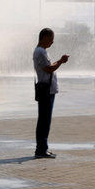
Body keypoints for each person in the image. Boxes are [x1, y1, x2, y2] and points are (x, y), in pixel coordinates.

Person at [33, 28, 69, 159]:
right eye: (51, 39)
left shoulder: (42, 51)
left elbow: (49, 66)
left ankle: (43, 148)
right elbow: (49, 69)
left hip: (47, 89)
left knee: (45, 120)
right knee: (44, 120)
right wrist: (61, 61)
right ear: (45, 37)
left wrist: (59, 61)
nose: (53, 42)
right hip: (46, 90)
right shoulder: (40, 52)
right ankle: (41, 149)